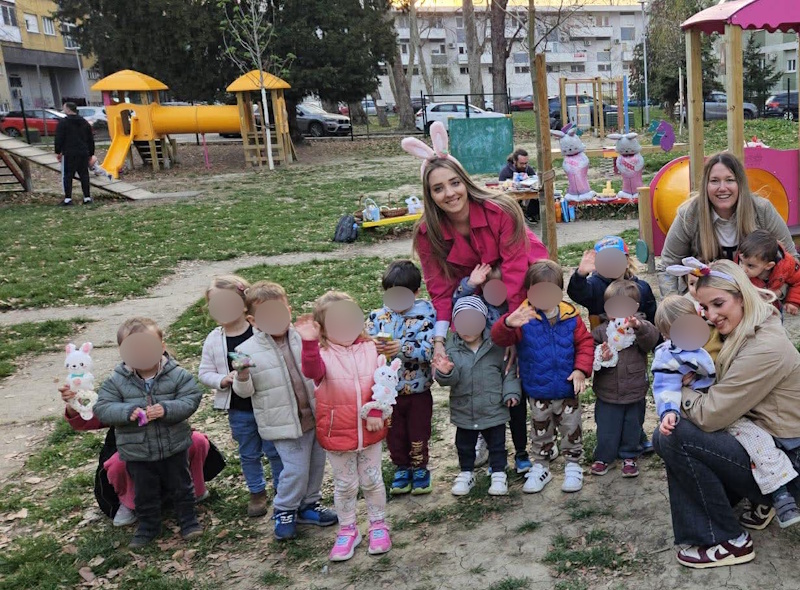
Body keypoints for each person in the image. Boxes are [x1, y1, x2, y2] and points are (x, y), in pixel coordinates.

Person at [652, 260, 800, 568]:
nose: (711, 315)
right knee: (675, 429)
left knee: (673, 434)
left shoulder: (765, 347)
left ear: (742, 296)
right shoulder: (751, 324)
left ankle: (727, 539)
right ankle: (750, 503)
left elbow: (711, 415)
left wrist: (678, 390)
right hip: (768, 447)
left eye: (718, 304)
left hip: (788, 465)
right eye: (705, 307)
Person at [404, 139, 548, 362]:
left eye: (455, 183)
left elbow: (515, 271)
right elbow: (440, 290)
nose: (449, 193)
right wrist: (439, 340)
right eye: (438, 188)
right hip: (476, 289)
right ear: (429, 194)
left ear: (465, 181)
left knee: (529, 350)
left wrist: (512, 331)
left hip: (523, 279)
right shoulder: (427, 233)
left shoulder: (501, 210)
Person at [232, 281, 336, 540]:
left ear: (288, 310)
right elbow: (244, 392)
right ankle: (285, 509)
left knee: (316, 465)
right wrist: (242, 375)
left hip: (314, 415)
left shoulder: (304, 337)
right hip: (283, 424)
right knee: (295, 470)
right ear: (253, 321)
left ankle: (309, 504)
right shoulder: (246, 351)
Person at [93, 318, 203, 549]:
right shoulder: (116, 381)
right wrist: (126, 412)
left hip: (174, 445)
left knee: (182, 486)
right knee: (144, 491)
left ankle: (188, 520)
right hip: (137, 450)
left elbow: (191, 398)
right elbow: (102, 408)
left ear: (161, 347)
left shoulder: (177, 375)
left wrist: (167, 409)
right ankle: (148, 526)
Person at [299, 291, 392, 562]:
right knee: (345, 485)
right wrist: (308, 343)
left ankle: (378, 524)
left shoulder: (372, 348)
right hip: (336, 433)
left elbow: (385, 382)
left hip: (371, 429)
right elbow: (311, 371)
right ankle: (348, 529)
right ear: (323, 328)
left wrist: (376, 410)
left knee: (372, 481)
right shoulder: (321, 354)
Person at [491, 260, 594, 494]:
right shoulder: (524, 317)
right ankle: (541, 465)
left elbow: (585, 343)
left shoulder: (571, 316)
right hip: (538, 389)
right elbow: (499, 338)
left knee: (571, 428)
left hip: (568, 389)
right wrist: (507, 323)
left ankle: (573, 465)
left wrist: (581, 369)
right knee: (540, 430)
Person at [59, 385, 218, 527]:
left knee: (197, 441)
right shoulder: (118, 388)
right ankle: (130, 503)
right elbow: (88, 419)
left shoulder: (172, 380)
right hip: (132, 447)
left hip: (169, 444)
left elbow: (186, 405)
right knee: (119, 463)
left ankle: (195, 489)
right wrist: (75, 404)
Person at [198, 275, 284, 518]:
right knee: (248, 452)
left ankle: (282, 490)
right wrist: (221, 379)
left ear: (244, 305)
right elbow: (204, 373)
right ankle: (257, 491)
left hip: (267, 402)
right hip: (239, 408)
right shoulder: (214, 339)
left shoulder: (259, 330)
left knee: (275, 450)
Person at [656, 151, 797, 296]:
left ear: (740, 183)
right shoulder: (690, 215)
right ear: (706, 185)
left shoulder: (762, 210)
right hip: (704, 296)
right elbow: (667, 266)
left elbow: (793, 260)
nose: (722, 188)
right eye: (714, 181)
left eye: (729, 180)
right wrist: (673, 303)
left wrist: (777, 292)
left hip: (754, 293)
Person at [433, 296, 521, 497]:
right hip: (464, 408)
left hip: (493, 407)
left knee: (497, 444)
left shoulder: (496, 345)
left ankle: (498, 473)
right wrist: (446, 372)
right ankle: (466, 472)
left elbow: (508, 371)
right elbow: (450, 380)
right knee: (464, 445)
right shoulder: (452, 347)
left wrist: (511, 392)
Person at [452, 264, 531, 473]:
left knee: (516, 408)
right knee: (490, 413)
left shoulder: (516, 305)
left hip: (512, 366)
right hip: (487, 367)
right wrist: (470, 283)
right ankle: (495, 455)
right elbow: (458, 302)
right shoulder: (479, 304)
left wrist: (513, 340)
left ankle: (521, 452)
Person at [365, 260, 435, 496]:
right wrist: (373, 346)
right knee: (394, 433)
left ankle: (420, 468)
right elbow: (363, 346)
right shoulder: (377, 317)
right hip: (386, 393)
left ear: (416, 293)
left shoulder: (426, 317)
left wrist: (403, 348)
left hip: (418, 390)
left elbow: (430, 351)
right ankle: (401, 468)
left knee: (418, 431)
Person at [589, 280, 658, 478]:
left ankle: (630, 455)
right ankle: (604, 456)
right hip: (607, 389)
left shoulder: (640, 328)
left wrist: (639, 327)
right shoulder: (602, 331)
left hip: (634, 388)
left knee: (632, 425)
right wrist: (601, 355)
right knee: (606, 426)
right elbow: (590, 351)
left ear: (635, 308)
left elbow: (651, 341)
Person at [567, 236, 658, 329]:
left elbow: (652, 319)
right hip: (604, 336)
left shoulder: (642, 288)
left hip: (638, 334)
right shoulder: (595, 285)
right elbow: (577, 294)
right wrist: (580, 275)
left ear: (627, 262)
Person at [737, 229, 800, 316]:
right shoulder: (741, 261)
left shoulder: (787, 265)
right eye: (741, 261)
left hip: (774, 309)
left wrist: (793, 302)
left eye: (750, 265)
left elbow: (798, 281)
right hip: (751, 311)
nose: (742, 268)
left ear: (769, 265)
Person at [55, 102, 95, 206]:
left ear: (68, 109)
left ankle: (68, 199)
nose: (64, 110)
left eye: (64, 108)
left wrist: (58, 151)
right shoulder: (84, 122)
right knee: (84, 175)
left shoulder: (63, 122)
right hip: (83, 152)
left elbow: (59, 137)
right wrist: (91, 153)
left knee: (68, 176)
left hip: (69, 152)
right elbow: (90, 139)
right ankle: (87, 197)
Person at [498, 148, 539, 223]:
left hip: (527, 196)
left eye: (526, 163)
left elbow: (535, 182)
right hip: (512, 198)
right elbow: (501, 188)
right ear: (515, 161)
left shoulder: (528, 169)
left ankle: (530, 214)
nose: (524, 166)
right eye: (521, 163)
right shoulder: (505, 172)